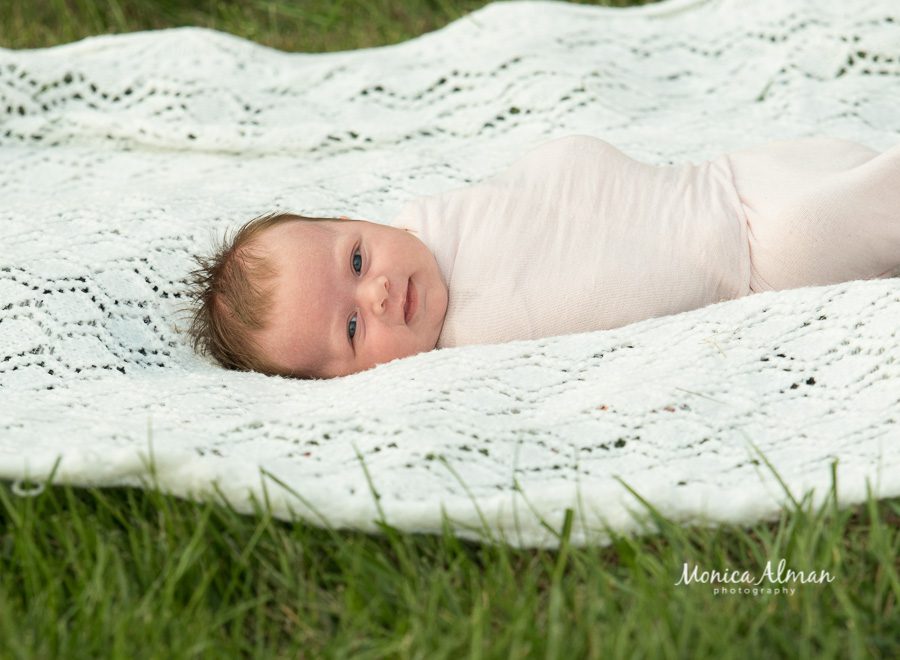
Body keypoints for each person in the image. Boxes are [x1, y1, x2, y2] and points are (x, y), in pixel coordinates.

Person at [184, 134, 900, 379]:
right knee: (823, 224)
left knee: (846, 197)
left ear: (355, 220)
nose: (375, 297)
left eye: (358, 261)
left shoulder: (445, 214)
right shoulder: (456, 363)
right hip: (756, 260)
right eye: (349, 331)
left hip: (730, 182)